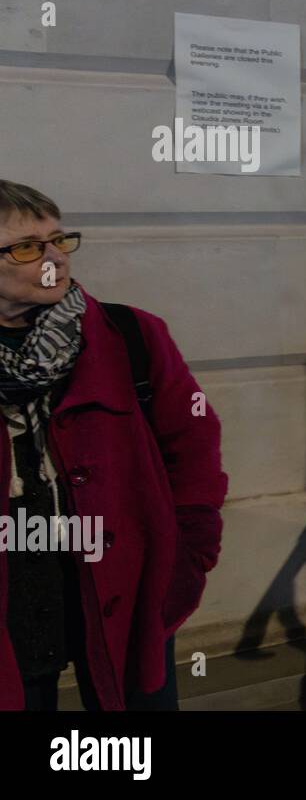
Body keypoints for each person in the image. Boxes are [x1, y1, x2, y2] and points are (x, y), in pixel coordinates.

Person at [0, 180, 227, 711]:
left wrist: (191, 551)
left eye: (60, 240)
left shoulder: (131, 335)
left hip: (121, 566)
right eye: (28, 247)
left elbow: (194, 444)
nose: (54, 257)